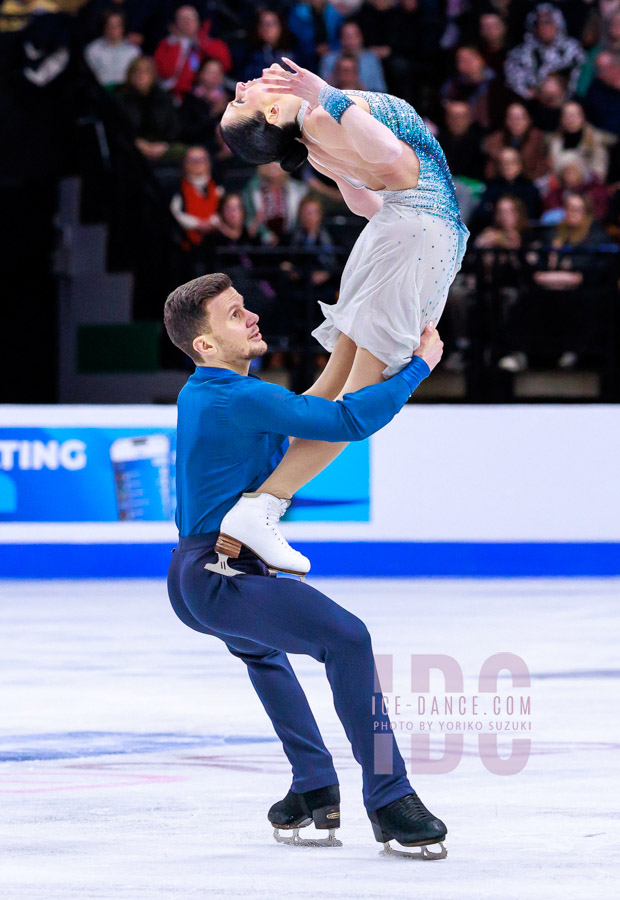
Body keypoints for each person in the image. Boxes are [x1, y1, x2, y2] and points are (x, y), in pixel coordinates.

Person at [164, 272, 447, 855]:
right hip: (221, 577)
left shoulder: (219, 392)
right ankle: (390, 798)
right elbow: (345, 422)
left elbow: (314, 407)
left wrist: (349, 336)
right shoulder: (234, 397)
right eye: (236, 314)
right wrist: (419, 367)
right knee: (348, 639)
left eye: (246, 306)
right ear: (206, 345)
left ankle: (315, 787)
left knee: (265, 657)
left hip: (203, 574)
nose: (252, 317)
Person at [218, 60, 468, 572]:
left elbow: (364, 198)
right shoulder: (321, 117)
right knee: (352, 402)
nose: (240, 86)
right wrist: (328, 94)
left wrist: (405, 238)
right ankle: (262, 507)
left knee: (331, 390)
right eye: (240, 99)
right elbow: (398, 164)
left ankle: (243, 482)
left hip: (401, 233)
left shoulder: (311, 137)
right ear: (271, 110)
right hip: (413, 237)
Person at [504, 3, 585, 101]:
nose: (543, 27)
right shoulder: (519, 54)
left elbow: (580, 77)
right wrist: (531, 93)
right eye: (538, 23)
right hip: (533, 104)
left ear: (558, 23)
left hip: (566, 102)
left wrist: (562, 92)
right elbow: (513, 82)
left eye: (548, 22)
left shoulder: (572, 49)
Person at [153, 4, 232, 100]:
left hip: (209, 94)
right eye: (182, 19)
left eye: (190, 18)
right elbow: (165, 72)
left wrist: (201, 43)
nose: (187, 22)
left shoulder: (212, 44)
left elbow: (226, 65)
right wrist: (177, 46)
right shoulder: (167, 45)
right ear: (175, 24)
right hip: (177, 96)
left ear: (198, 21)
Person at [483, 103, 549, 181]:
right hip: (500, 183)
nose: (516, 123)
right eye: (512, 118)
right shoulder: (495, 139)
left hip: (531, 181)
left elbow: (542, 166)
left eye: (520, 118)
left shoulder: (538, 138)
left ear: (528, 120)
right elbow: (490, 170)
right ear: (506, 121)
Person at [319, 21, 387, 93]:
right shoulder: (329, 59)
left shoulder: (371, 59)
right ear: (340, 39)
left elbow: (380, 90)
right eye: (346, 36)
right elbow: (321, 89)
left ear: (361, 37)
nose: (350, 40)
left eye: (353, 36)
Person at [84, 10, 140, 89]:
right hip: (100, 92)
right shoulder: (93, 49)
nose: (113, 29)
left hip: (126, 93)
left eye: (117, 25)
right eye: (109, 25)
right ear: (104, 27)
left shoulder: (133, 51)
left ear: (123, 27)